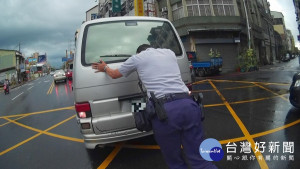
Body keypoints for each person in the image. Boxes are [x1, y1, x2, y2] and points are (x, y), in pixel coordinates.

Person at [92, 44, 217, 169]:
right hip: (189, 105)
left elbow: (114, 74)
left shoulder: (137, 58)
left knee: (176, 163)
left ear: (139, 52)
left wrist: (105, 67)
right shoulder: (169, 53)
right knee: (200, 161)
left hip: (166, 112)